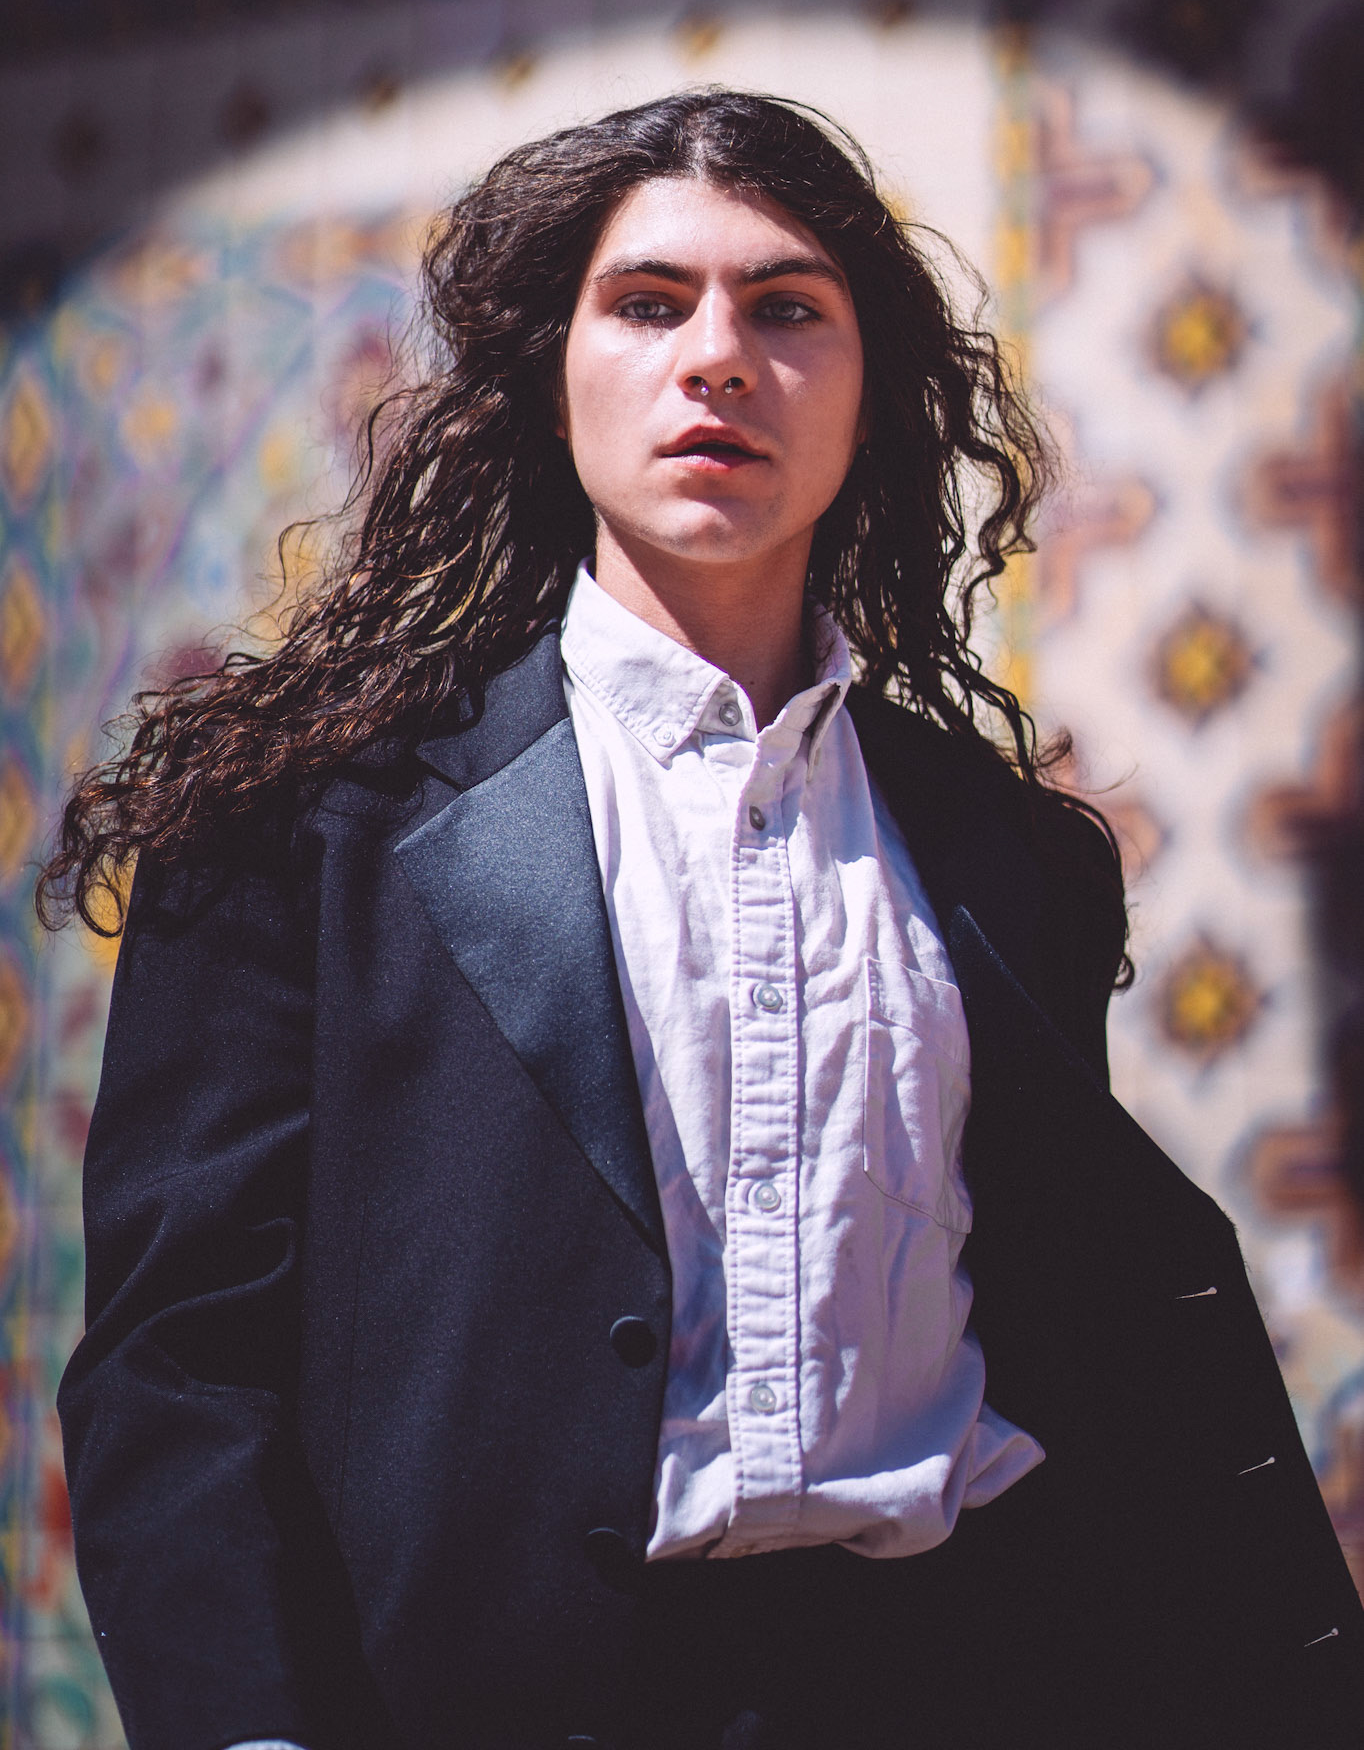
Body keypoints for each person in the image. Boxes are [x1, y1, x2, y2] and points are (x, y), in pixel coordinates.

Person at [43, 90, 1364, 1750]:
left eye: (788, 309)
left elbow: (1061, 1332)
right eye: (650, 303)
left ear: (872, 394)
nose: (720, 358)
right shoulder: (297, 827)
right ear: (556, 376)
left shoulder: (1014, 855)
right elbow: (178, 1365)